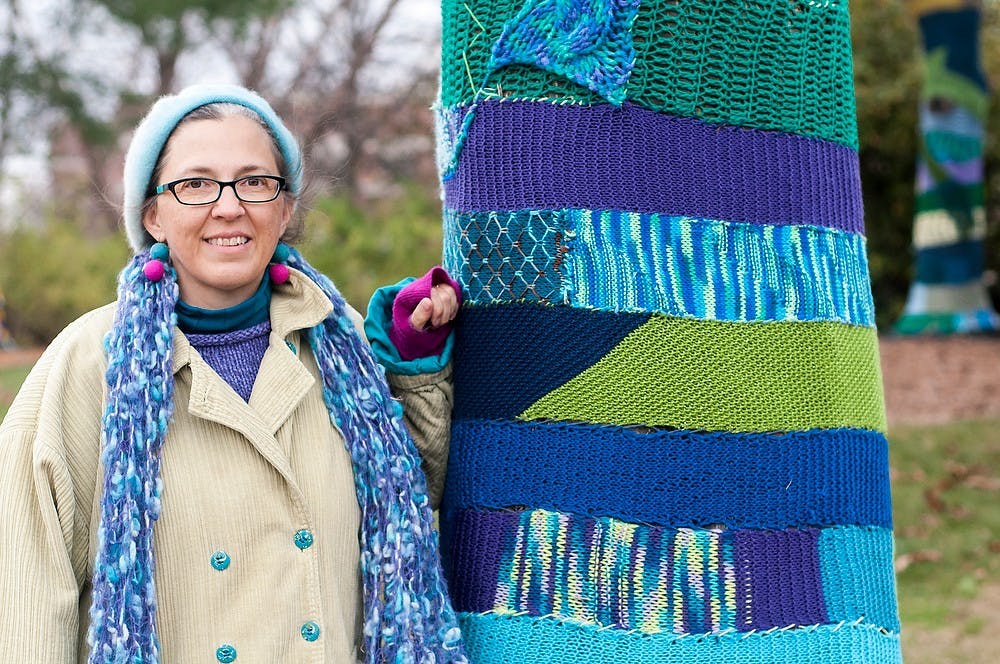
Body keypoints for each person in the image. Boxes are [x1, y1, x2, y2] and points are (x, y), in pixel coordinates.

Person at [0, 84, 468, 663]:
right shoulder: (86, 365)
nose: (229, 206)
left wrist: (414, 360)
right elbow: (26, 605)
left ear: (285, 206)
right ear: (152, 214)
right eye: (195, 184)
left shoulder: (338, 340)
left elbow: (412, 500)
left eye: (254, 182)